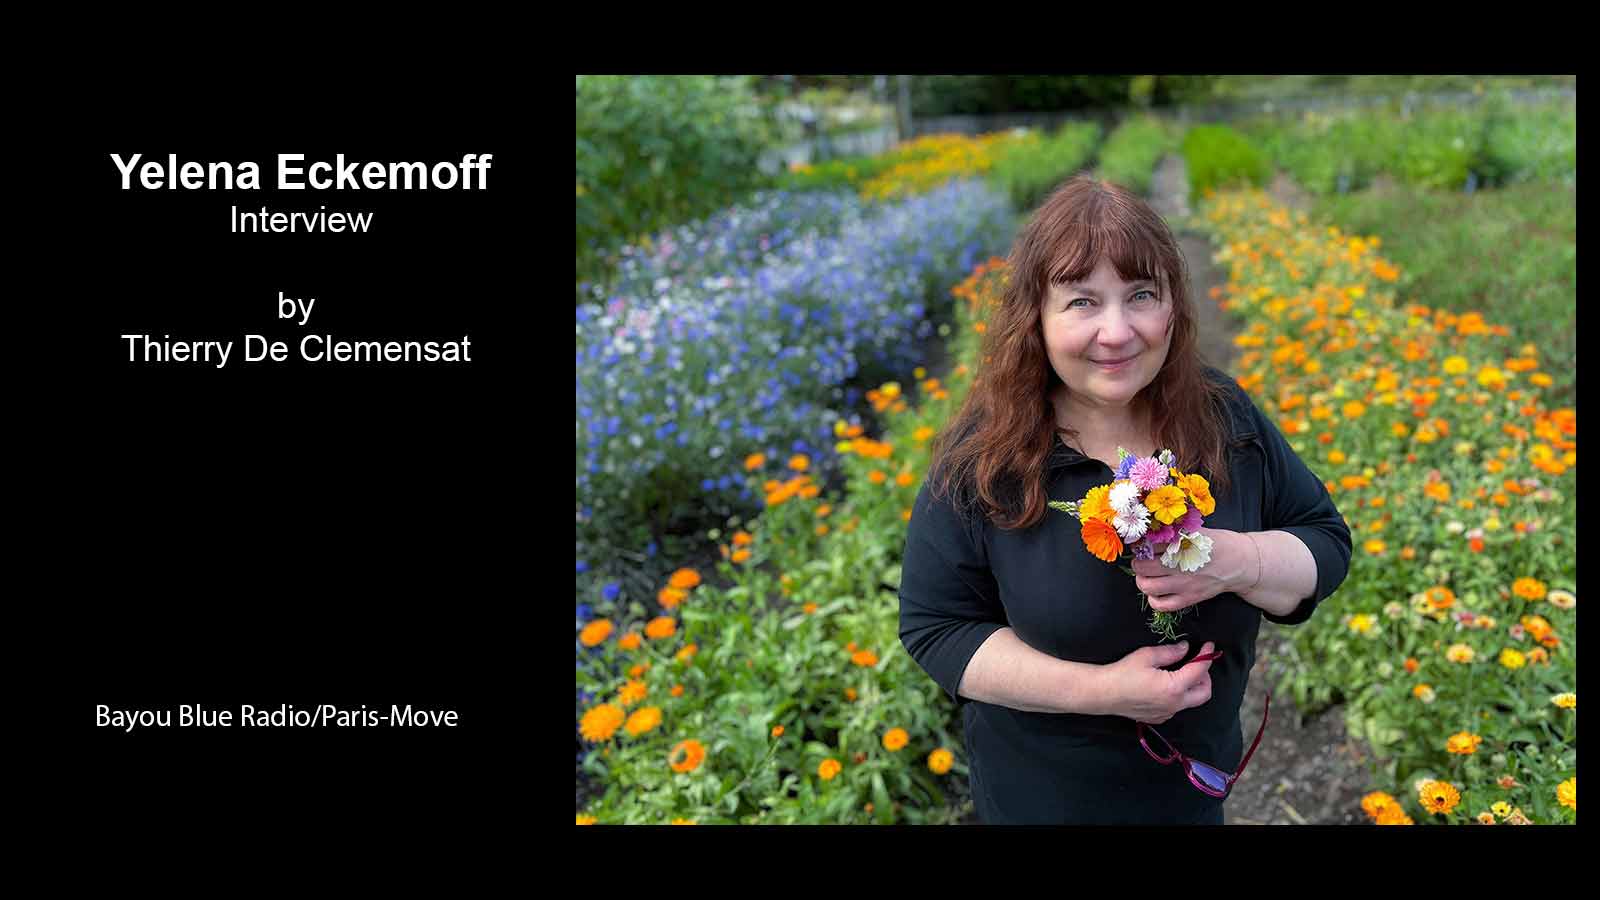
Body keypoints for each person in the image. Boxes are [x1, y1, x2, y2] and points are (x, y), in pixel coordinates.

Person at [898, 174, 1352, 825]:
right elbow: (938, 627)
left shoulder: (1221, 417)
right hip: (1044, 801)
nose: (1116, 332)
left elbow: (1324, 543)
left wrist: (1233, 560)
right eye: (1082, 302)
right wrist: (1104, 691)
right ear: (1036, 318)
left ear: (1173, 306)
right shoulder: (988, 457)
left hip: (1190, 792)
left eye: (1141, 295)